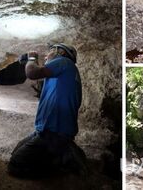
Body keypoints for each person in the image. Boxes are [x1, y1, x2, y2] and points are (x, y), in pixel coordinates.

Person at [8, 43, 86, 178]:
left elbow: (32, 73)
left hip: (54, 132)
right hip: (47, 130)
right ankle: (63, 151)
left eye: (49, 52)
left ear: (60, 52)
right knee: (15, 152)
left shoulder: (64, 62)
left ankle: (62, 162)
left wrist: (32, 59)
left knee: (16, 164)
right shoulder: (65, 72)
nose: (45, 56)